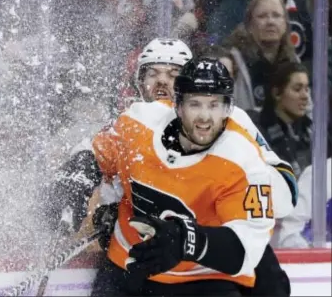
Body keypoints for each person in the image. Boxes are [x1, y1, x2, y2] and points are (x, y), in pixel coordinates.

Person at [49, 58, 290, 296]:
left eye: (214, 105)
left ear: (228, 108)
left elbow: (247, 249)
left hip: (203, 279)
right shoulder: (141, 121)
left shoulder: (244, 160)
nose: (205, 117)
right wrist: (76, 178)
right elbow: (98, 152)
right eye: (195, 104)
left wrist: (188, 240)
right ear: (178, 105)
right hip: (128, 267)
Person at [221, 0, 298, 111]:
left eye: (276, 15)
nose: (270, 22)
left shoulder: (293, 61)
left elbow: (307, 110)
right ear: (249, 25)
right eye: (262, 16)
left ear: (285, 24)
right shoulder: (233, 61)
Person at [247, 62, 315, 178]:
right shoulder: (256, 131)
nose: (305, 96)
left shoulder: (309, 131)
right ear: (277, 93)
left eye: (306, 89)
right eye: (297, 89)